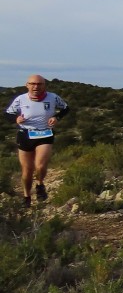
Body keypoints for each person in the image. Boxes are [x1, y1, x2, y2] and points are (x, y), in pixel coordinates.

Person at [5, 75, 69, 207]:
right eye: (33, 83)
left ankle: (40, 185)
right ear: (27, 85)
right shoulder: (20, 99)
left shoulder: (53, 97)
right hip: (25, 134)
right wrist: (16, 119)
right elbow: (7, 113)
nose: (36, 86)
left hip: (45, 133)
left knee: (40, 166)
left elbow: (66, 108)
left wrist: (57, 117)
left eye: (39, 84)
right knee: (27, 170)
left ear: (44, 85)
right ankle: (26, 196)